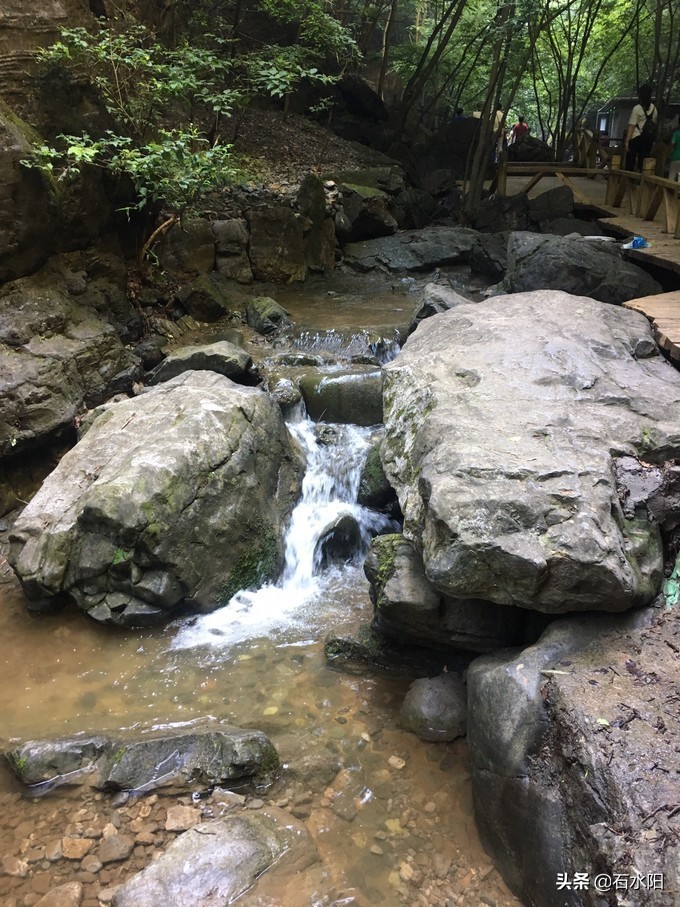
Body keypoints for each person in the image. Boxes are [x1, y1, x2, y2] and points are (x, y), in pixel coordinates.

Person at [624, 84, 657, 172]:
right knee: (643, 160)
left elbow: (632, 126)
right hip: (647, 139)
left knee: (630, 160)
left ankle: (629, 178)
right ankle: (641, 179)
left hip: (636, 137)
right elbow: (654, 123)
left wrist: (627, 141)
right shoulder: (654, 108)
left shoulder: (637, 108)